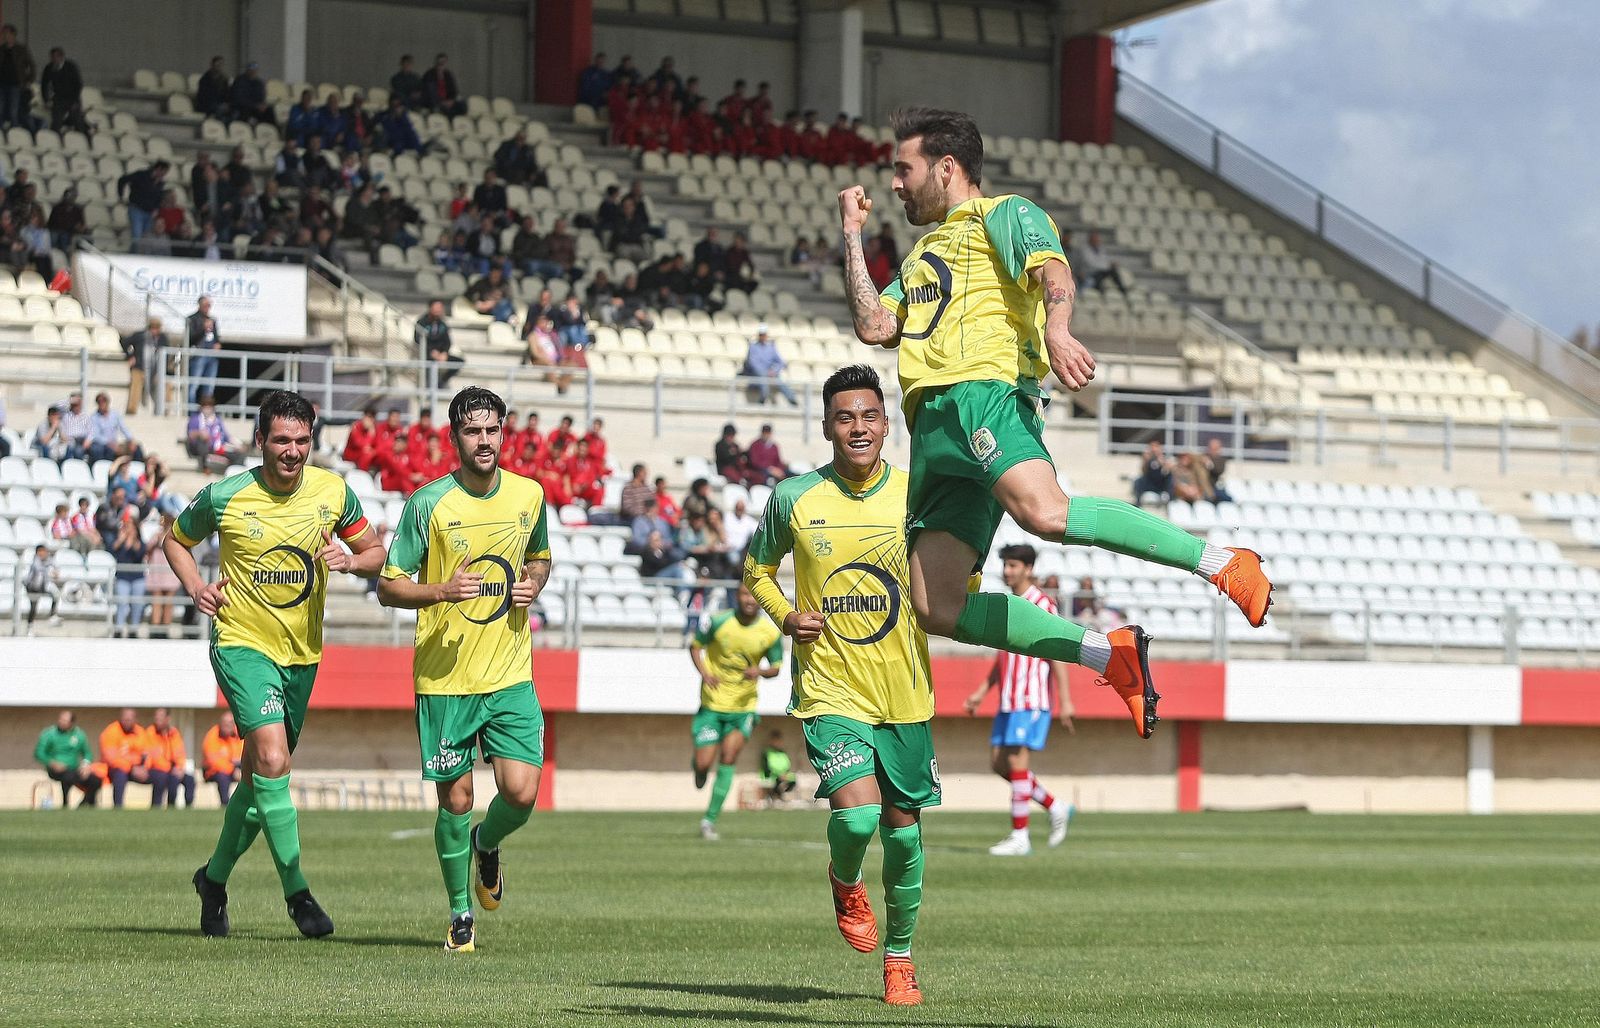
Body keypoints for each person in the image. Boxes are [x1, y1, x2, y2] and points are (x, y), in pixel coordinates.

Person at [838, 108, 1274, 741]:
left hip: (984, 394)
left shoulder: (1006, 214)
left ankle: (1222, 562)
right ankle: (1106, 654)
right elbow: (875, 326)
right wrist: (852, 235)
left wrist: (1058, 330)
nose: (896, 184)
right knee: (934, 605)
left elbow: (1054, 273)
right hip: (930, 426)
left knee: (1046, 514)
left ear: (947, 167)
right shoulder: (920, 257)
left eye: (905, 169)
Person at [743, 364, 934, 1006]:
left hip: (905, 690)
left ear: (887, 424)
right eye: (845, 417)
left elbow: (954, 571)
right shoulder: (794, 497)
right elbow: (757, 569)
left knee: (903, 833)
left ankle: (899, 959)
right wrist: (784, 615)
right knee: (857, 817)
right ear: (826, 426)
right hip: (830, 687)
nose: (858, 428)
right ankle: (845, 879)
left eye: (869, 416)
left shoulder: (917, 494)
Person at [167, 390, 386, 939]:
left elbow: (377, 553)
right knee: (272, 757)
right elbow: (175, 541)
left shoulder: (333, 492)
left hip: (302, 655)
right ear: (260, 440)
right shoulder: (227, 495)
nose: (292, 451)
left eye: (302, 441)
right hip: (241, 644)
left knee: (259, 777)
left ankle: (213, 881)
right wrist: (196, 586)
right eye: (282, 440)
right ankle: (298, 893)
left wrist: (351, 560)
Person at [378, 386, 553, 953]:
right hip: (445, 680)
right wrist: (441, 590)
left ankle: (486, 842)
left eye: (492, 429)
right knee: (454, 801)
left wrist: (533, 584)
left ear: (504, 433)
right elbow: (388, 585)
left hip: (510, 673)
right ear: (454, 437)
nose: (484, 440)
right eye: (472, 430)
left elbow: (540, 557)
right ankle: (460, 913)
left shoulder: (529, 495)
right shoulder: (427, 504)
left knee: (521, 793)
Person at [962, 544, 1076, 856]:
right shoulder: (1008, 604)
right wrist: (982, 691)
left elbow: (1058, 653)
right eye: (1006, 565)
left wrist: (1065, 700)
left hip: (1031, 697)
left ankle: (1020, 836)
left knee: (1016, 762)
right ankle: (1055, 806)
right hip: (1008, 699)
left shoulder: (1042, 604)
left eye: (1013, 565)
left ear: (1028, 568)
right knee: (999, 764)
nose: (1007, 571)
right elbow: (1004, 656)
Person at [688, 582, 783, 840]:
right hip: (712, 704)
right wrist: (705, 673)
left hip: (743, 707)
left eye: (753, 595)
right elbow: (695, 646)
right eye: (744, 594)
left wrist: (760, 671)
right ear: (737, 596)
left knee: (729, 758)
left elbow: (776, 667)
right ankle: (699, 768)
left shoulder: (769, 632)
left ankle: (709, 820)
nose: (749, 600)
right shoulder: (719, 622)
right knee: (704, 763)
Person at [35, 710, 100, 808]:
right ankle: (65, 804)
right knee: (68, 777)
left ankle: (85, 804)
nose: (61, 722)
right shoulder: (49, 734)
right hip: (55, 770)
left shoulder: (79, 734)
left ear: (71, 723)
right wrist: (52, 763)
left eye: (65, 720)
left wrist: (85, 765)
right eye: (60, 719)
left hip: (74, 769)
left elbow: (87, 753)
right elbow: (39, 753)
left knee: (96, 780)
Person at [100, 708, 158, 808]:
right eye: (125, 719)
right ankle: (118, 807)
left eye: (129, 720)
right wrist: (131, 767)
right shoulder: (111, 731)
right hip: (116, 769)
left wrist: (144, 767)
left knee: (160, 776)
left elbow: (147, 753)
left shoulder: (140, 732)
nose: (126, 722)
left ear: (135, 720)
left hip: (138, 769)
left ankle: (157, 807)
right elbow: (111, 758)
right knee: (120, 774)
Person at [144, 708, 198, 809]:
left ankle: (188, 808)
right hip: (155, 769)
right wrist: (169, 768)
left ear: (167, 719)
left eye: (160, 718)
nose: (157, 720)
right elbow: (153, 757)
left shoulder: (174, 733)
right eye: (156, 717)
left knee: (189, 779)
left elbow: (180, 753)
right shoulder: (150, 733)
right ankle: (159, 806)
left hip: (172, 769)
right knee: (162, 777)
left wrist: (179, 768)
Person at [109, 517, 148, 638]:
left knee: (137, 604)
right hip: (123, 577)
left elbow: (139, 554)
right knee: (121, 602)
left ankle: (133, 629)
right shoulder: (120, 541)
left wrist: (132, 540)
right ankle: (119, 628)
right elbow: (114, 551)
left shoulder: (140, 542)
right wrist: (122, 540)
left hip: (137, 578)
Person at [743, 325, 797, 406]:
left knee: (780, 381)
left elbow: (780, 362)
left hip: (770, 373)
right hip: (757, 373)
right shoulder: (753, 347)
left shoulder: (771, 347)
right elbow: (753, 363)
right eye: (761, 334)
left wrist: (774, 371)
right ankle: (763, 398)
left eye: (764, 334)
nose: (763, 336)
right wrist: (765, 372)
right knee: (763, 379)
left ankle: (792, 400)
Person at [116, 160, 169, 240]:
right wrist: (121, 196)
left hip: (149, 212)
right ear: (158, 169)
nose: (164, 175)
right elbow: (122, 180)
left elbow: (159, 197)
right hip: (136, 209)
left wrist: (156, 208)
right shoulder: (141, 175)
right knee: (137, 236)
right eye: (164, 172)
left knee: (145, 239)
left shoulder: (160, 182)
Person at [186, 393, 242, 469]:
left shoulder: (217, 420)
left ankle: (232, 471)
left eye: (209, 405)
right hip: (202, 447)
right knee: (202, 443)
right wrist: (200, 433)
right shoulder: (195, 419)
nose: (207, 408)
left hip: (217, 446)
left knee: (238, 454)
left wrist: (238, 444)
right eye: (205, 405)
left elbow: (226, 436)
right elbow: (190, 434)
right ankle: (206, 467)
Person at [416, 299, 463, 386]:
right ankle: (429, 386)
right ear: (430, 308)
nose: (438, 310)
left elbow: (447, 342)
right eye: (436, 307)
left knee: (459, 361)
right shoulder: (421, 323)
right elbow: (418, 340)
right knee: (429, 362)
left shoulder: (442, 325)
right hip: (427, 353)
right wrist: (432, 352)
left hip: (440, 353)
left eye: (440, 308)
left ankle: (441, 383)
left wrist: (444, 353)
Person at [121, 316, 163, 414]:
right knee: (135, 385)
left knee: (162, 386)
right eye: (153, 328)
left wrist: (160, 370)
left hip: (155, 370)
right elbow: (124, 342)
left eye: (157, 328)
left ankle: (162, 411)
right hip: (139, 367)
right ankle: (131, 410)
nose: (155, 330)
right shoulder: (140, 336)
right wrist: (130, 356)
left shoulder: (162, 339)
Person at [86, 392, 143, 463]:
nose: (102, 403)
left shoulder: (115, 415)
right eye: (99, 402)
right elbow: (95, 434)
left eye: (104, 401)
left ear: (108, 402)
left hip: (115, 443)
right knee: (105, 450)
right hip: (103, 444)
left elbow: (123, 428)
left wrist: (131, 439)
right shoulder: (94, 417)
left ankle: (139, 466)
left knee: (136, 447)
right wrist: (109, 443)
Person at [202, 712, 245, 806]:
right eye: (225, 723)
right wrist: (233, 769)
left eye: (230, 723)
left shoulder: (238, 735)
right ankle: (225, 804)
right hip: (213, 771)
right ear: (220, 723)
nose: (227, 726)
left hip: (236, 767)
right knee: (222, 777)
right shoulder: (213, 735)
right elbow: (212, 761)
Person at [186, 296, 222, 408]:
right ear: (200, 305)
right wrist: (203, 328)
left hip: (212, 356)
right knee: (194, 385)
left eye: (209, 305)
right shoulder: (192, 319)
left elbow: (216, 337)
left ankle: (207, 411)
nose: (208, 308)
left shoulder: (212, 320)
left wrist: (217, 343)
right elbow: (190, 338)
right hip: (199, 355)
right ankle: (191, 412)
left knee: (209, 386)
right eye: (206, 305)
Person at [1072, 230, 1128, 296]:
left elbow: (1104, 260)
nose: (1097, 241)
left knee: (1112, 272)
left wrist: (1109, 264)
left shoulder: (1101, 249)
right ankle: (1119, 291)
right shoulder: (1084, 250)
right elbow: (1091, 264)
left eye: (1097, 239)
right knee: (1106, 273)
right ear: (1090, 239)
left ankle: (1121, 290)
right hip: (1089, 273)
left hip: (1100, 272)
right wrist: (1108, 265)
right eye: (1095, 239)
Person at [22, 544, 62, 634]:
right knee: (33, 607)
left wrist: (56, 571)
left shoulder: (48, 559)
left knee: (56, 595)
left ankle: (52, 615)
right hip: (32, 587)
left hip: (42, 587)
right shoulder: (35, 561)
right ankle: (29, 627)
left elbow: (55, 566)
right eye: (40, 552)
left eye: (44, 551)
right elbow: (39, 568)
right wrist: (50, 571)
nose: (43, 554)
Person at [759, 729, 797, 803]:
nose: (777, 743)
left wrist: (785, 774)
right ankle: (776, 797)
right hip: (771, 776)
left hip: (783, 775)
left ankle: (785, 796)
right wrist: (778, 774)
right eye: (775, 740)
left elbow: (787, 765)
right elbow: (768, 767)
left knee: (793, 779)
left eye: (779, 740)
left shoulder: (783, 752)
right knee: (778, 781)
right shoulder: (767, 752)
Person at [1202, 437, 1233, 504]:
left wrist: (1209, 464)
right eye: (1211, 448)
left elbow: (1219, 471)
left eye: (1215, 448)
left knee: (1227, 499)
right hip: (1203, 486)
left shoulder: (1221, 460)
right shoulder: (1202, 458)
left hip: (1214, 486)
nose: (1213, 450)